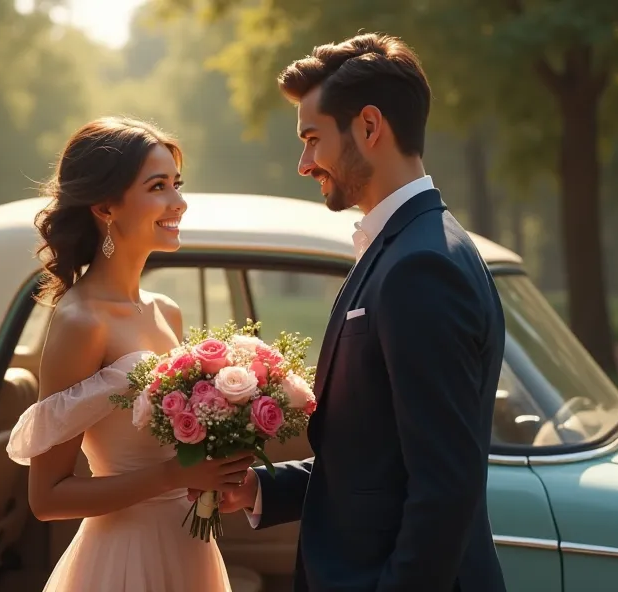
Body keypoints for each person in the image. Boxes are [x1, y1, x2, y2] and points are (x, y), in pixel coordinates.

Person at [208, 33, 508, 591]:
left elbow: (444, 486)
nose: (303, 163)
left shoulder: (422, 266)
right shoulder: (405, 246)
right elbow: (376, 461)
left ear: (369, 127)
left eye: (312, 138)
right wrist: (262, 490)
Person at [6, 116, 252, 592]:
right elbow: (48, 498)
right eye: (157, 187)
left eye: (176, 185)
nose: (178, 202)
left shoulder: (167, 312)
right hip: (123, 559)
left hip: (191, 551)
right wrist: (170, 475)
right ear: (105, 206)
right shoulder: (81, 321)